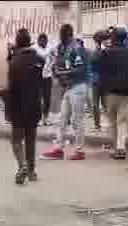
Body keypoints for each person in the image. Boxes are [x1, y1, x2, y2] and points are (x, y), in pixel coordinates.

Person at [41, 24, 88, 161]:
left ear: (68, 35)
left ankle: (80, 151)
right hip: (69, 88)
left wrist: (63, 73)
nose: (60, 38)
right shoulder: (63, 48)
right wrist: (56, 68)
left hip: (78, 87)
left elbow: (81, 69)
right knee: (62, 119)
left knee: (76, 120)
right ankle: (58, 149)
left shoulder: (77, 48)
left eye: (62, 35)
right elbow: (61, 64)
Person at [7, 28, 44, 185]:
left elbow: (12, 88)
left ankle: (22, 165)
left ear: (17, 42)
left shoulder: (14, 62)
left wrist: (9, 110)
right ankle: (32, 171)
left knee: (16, 140)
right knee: (31, 139)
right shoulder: (38, 59)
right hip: (34, 104)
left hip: (18, 106)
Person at [99, 27, 128, 161]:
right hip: (127, 92)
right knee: (122, 120)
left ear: (114, 38)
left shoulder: (106, 53)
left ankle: (115, 148)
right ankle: (121, 148)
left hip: (110, 92)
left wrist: (102, 92)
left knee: (112, 121)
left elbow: (102, 74)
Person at [34, 33, 53, 126]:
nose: (43, 42)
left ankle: (46, 118)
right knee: (38, 98)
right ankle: (39, 118)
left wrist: (52, 66)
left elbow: (53, 59)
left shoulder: (50, 49)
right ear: (38, 41)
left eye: (45, 41)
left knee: (47, 98)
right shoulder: (35, 50)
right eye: (41, 41)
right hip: (38, 77)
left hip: (48, 77)